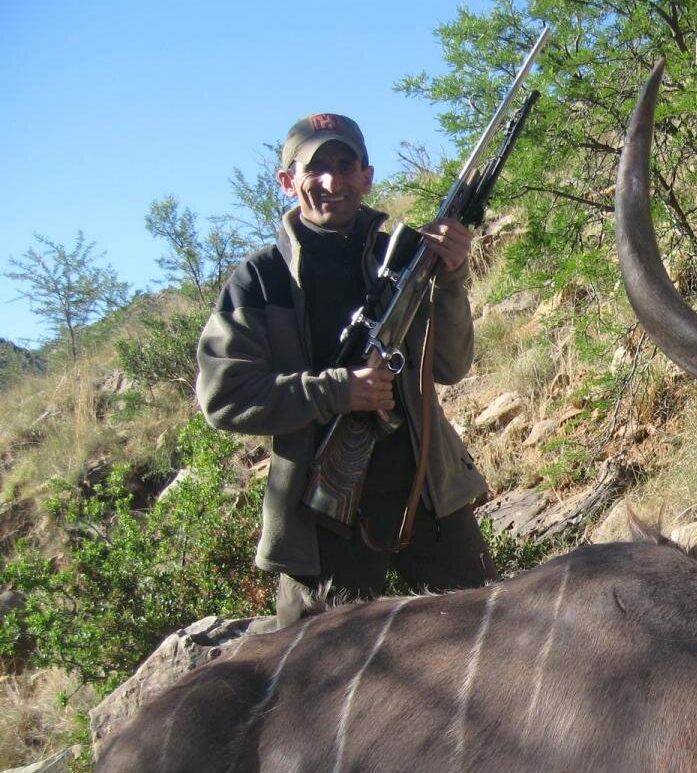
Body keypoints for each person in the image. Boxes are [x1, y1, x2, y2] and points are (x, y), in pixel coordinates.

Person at [197, 113, 495, 627]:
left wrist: (449, 279)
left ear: (367, 176)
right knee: (311, 684)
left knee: (492, 640)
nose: (332, 182)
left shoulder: (405, 257)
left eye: (345, 165)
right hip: (321, 523)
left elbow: (450, 365)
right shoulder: (258, 281)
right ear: (288, 182)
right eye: (315, 169)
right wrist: (338, 391)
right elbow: (223, 395)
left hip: (429, 498)